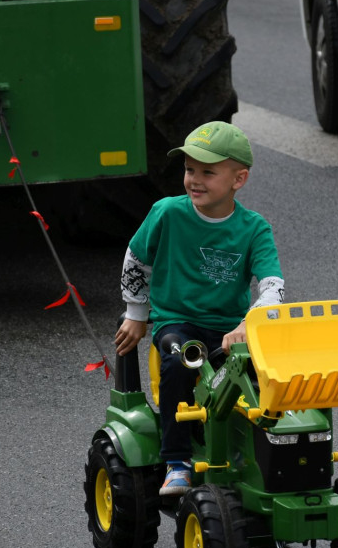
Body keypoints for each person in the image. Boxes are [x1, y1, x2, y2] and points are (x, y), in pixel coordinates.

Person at [114, 121, 285, 496]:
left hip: (230, 330)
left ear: (239, 179)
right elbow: (135, 259)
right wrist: (136, 313)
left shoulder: (255, 229)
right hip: (178, 324)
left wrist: (249, 322)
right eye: (190, 169)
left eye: (208, 172)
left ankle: (264, 462)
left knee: (266, 377)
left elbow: (272, 285)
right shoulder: (167, 213)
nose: (195, 179)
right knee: (179, 361)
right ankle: (177, 462)